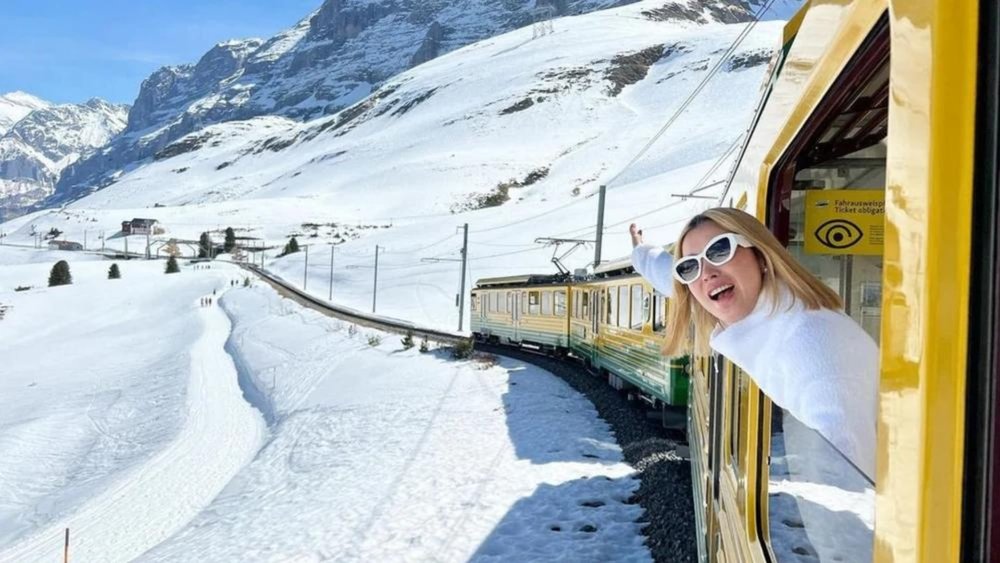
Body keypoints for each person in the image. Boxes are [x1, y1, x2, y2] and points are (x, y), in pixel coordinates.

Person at [630, 207, 877, 479]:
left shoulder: (811, 345)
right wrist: (640, 249)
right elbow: (666, 274)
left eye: (719, 250)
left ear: (760, 254)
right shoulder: (763, 310)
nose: (706, 273)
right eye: (689, 266)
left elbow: (846, 479)